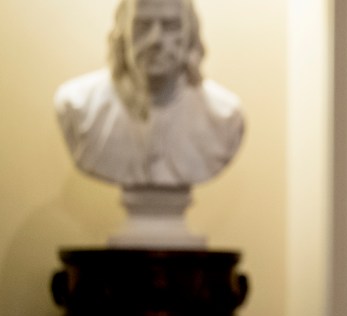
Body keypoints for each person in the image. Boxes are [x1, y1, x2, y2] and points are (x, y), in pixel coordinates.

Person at [54, 0, 244, 187]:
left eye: (170, 26)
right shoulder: (79, 107)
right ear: (122, 32)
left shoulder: (224, 117)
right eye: (142, 25)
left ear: (190, 35)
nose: (155, 40)